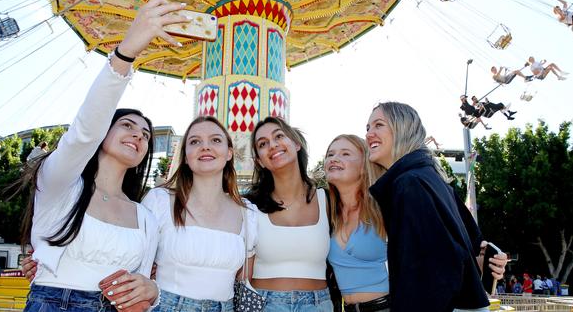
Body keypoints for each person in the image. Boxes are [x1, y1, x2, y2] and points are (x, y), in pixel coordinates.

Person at [17, 0, 190, 312]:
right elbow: (83, 132)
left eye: (146, 134)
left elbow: (144, 292)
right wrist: (127, 53)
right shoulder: (60, 186)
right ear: (103, 133)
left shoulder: (146, 218)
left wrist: (151, 290)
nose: (138, 134)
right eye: (127, 125)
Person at [366, 102, 507, 311]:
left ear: (403, 128)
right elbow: (475, 246)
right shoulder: (430, 177)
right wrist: (489, 260)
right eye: (368, 128)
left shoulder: (409, 184)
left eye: (378, 125)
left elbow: (425, 276)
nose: (369, 134)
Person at [140, 115, 257, 311]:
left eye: (216, 140)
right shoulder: (159, 200)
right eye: (195, 141)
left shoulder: (248, 212)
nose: (205, 146)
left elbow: (244, 278)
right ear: (185, 156)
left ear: (229, 153)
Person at [245, 116, 333, 312]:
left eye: (279, 136)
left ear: (296, 143)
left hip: (318, 305)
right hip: (263, 304)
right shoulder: (249, 206)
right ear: (259, 161)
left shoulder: (327, 200)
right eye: (263, 144)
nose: (273, 145)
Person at [324, 135, 390, 312]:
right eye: (330, 154)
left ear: (363, 166)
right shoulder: (326, 212)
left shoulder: (383, 206)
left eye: (345, 153)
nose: (334, 159)